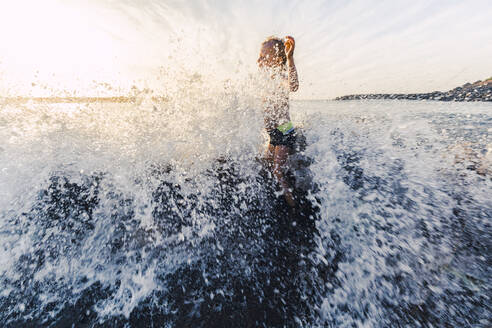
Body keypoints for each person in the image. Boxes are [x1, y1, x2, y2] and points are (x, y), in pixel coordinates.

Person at [257, 36, 299, 207]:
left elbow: (294, 86)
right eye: (260, 55)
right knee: (266, 164)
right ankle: (275, 199)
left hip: (284, 130)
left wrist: (290, 58)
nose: (259, 59)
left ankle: (294, 209)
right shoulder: (263, 80)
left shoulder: (280, 76)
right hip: (273, 133)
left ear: (277, 58)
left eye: (264, 55)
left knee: (277, 171)